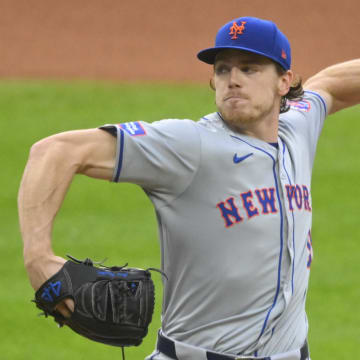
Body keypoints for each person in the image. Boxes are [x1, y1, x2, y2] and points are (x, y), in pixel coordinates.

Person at [18, 16, 360, 360]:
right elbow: (55, 151)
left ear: (284, 82)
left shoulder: (297, 129)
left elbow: (329, 85)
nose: (233, 80)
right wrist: (37, 257)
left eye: (250, 69)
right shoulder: (189, 146)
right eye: (223, 70)